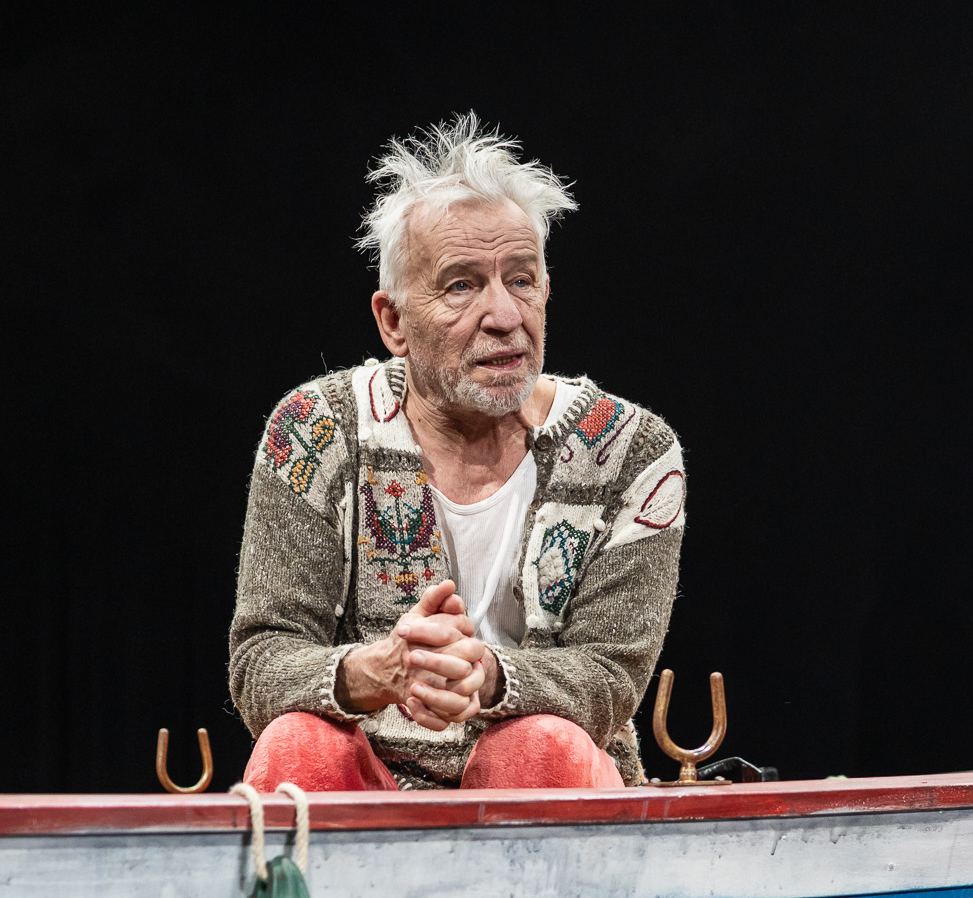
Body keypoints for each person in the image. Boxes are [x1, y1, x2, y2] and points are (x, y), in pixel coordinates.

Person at [230, 113, 685, 792]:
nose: (504, 316)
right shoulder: (313, 431)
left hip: (541, 777)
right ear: (393, 321)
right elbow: (260, 664)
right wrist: (374, 672)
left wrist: (490, 676)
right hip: (370, 777)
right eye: (462, 285)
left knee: (542, 747)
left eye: (521, 280)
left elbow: (611, 677)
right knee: (298, 744)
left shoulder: (631, 452)